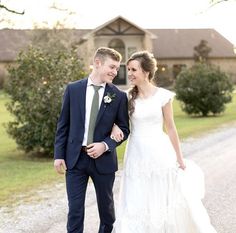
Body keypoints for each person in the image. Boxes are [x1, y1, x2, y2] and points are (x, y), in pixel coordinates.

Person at [111, 51, 217, 233]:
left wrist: (180, 158)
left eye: (133, 70)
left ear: (146, 72)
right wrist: (114, 126)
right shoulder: (127, 97)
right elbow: (117, 120)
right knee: (138, 196)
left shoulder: (163, 96)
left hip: (160, 151)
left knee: (162, 195)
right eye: (128, 69)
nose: (129, 73)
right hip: (136, 153)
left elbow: (171, 128)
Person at [54, 47, 130, 233]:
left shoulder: (118, 96)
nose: (115, 72)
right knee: (75, 210)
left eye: (116, 68)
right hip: (75, 159)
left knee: (106, 210)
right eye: (111, 67)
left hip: (103, 161)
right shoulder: (73, 89)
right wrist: (58, 155)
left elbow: (124, 130)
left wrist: (105, 145)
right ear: (97, 63)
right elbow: (63, 124)